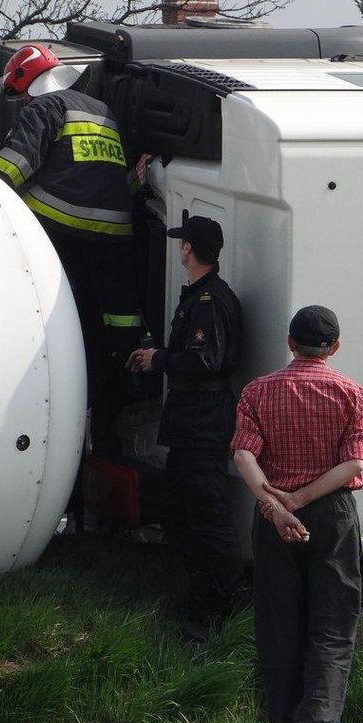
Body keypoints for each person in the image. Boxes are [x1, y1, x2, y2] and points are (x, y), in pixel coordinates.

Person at [230, 305, 363, 723]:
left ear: (290, 343)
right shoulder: (352, 394)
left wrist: (275, 505)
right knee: (331, 630)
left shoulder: (257, 392)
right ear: (334, 348)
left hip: (272, 522)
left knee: (279, 631)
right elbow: (354, 464)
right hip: (332, 515)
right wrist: (302, 498)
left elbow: (245, 456)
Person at [0, 44, 142, 457]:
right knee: (116, 319)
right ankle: (126, 366)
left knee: (59, 320)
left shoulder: (43, 109)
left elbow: (12, 169)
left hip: (61, 228)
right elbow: (117, 175)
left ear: (25, 84)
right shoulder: (102, 111)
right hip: (114, 232)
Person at [126, 215, 244, 639]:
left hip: (203, 424)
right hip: (190, 423)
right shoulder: (200, 296)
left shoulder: (210, 301)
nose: (179, 250)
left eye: (181, 244)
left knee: (209, 513)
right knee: (180, 511)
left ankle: (224, 602)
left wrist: (158, 359)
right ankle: (200, 593)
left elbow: (203, 361)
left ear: (188, 250)